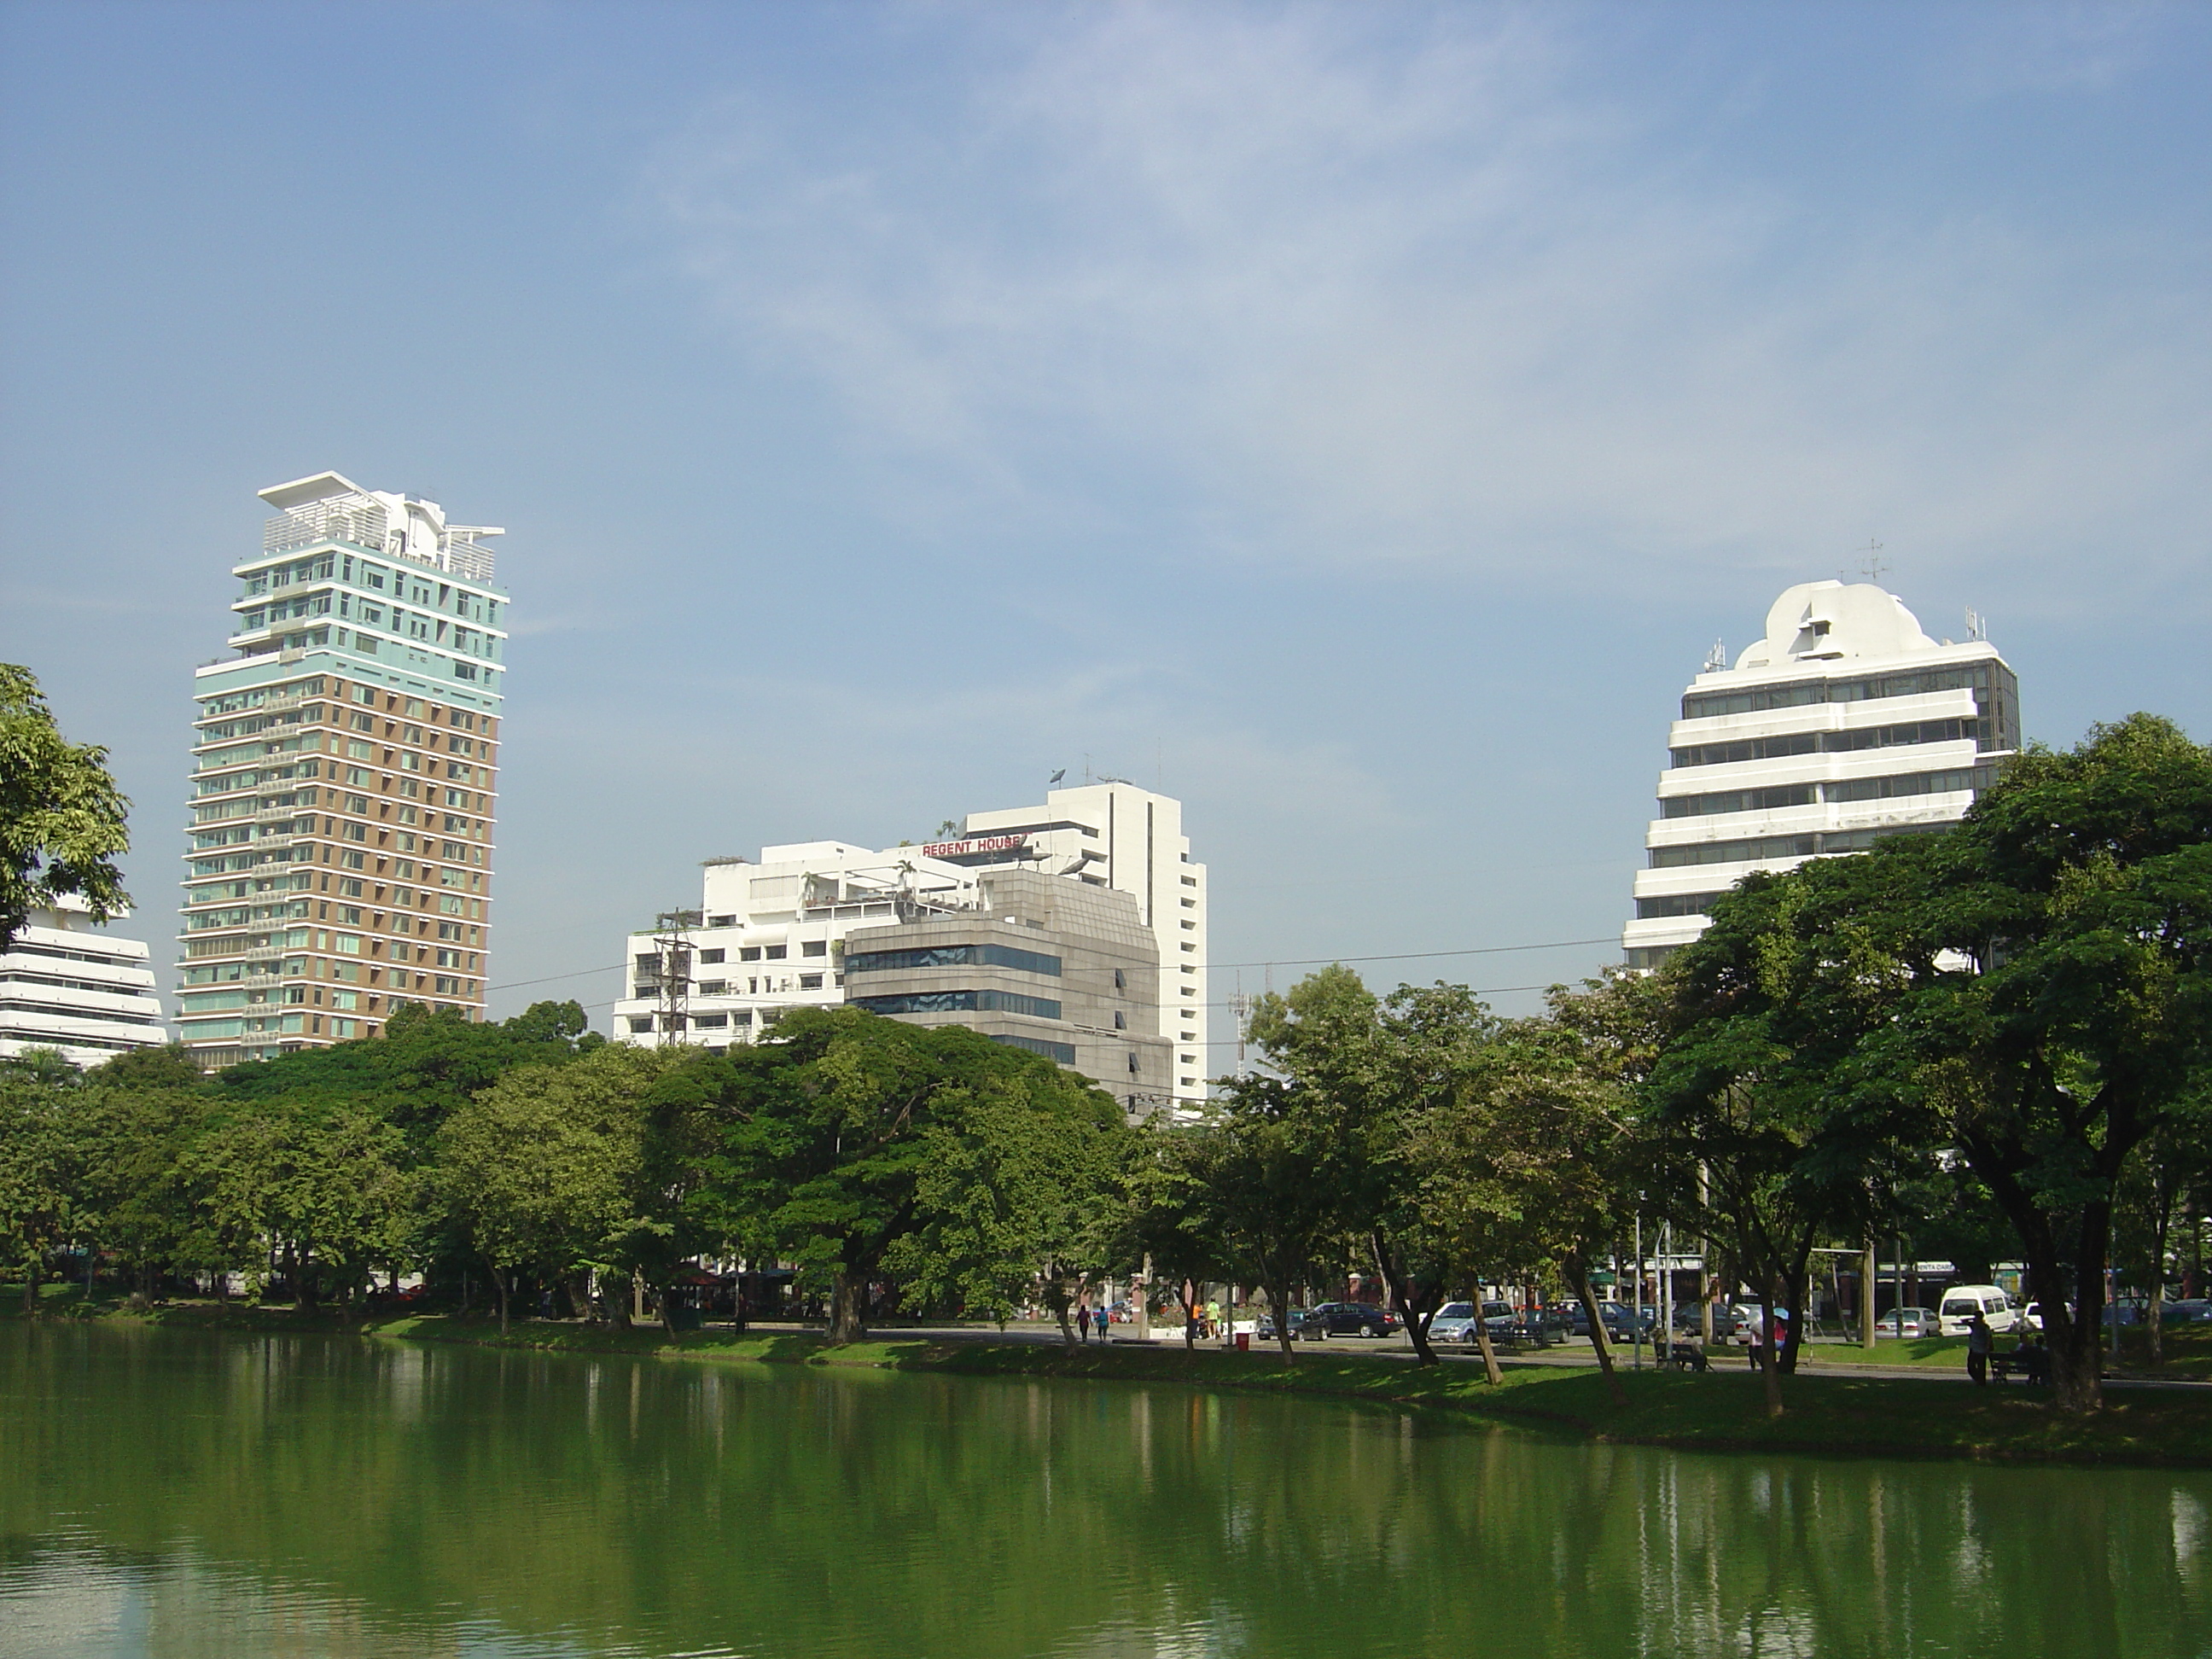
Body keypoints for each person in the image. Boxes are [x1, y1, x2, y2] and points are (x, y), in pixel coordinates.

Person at [1966, 1312, 1994, 1385]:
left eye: (1976, 1318)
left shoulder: (1984, 1327)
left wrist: (1988, 1347)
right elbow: (1965, 1322)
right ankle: (1978, 1379)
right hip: (1973, 1348)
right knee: (1971, 1366)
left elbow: (1989, 1337)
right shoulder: (1974, 1326)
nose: (1975, 1319)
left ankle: (1981, 1381)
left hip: (1981, 1349)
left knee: (1981, 1367)